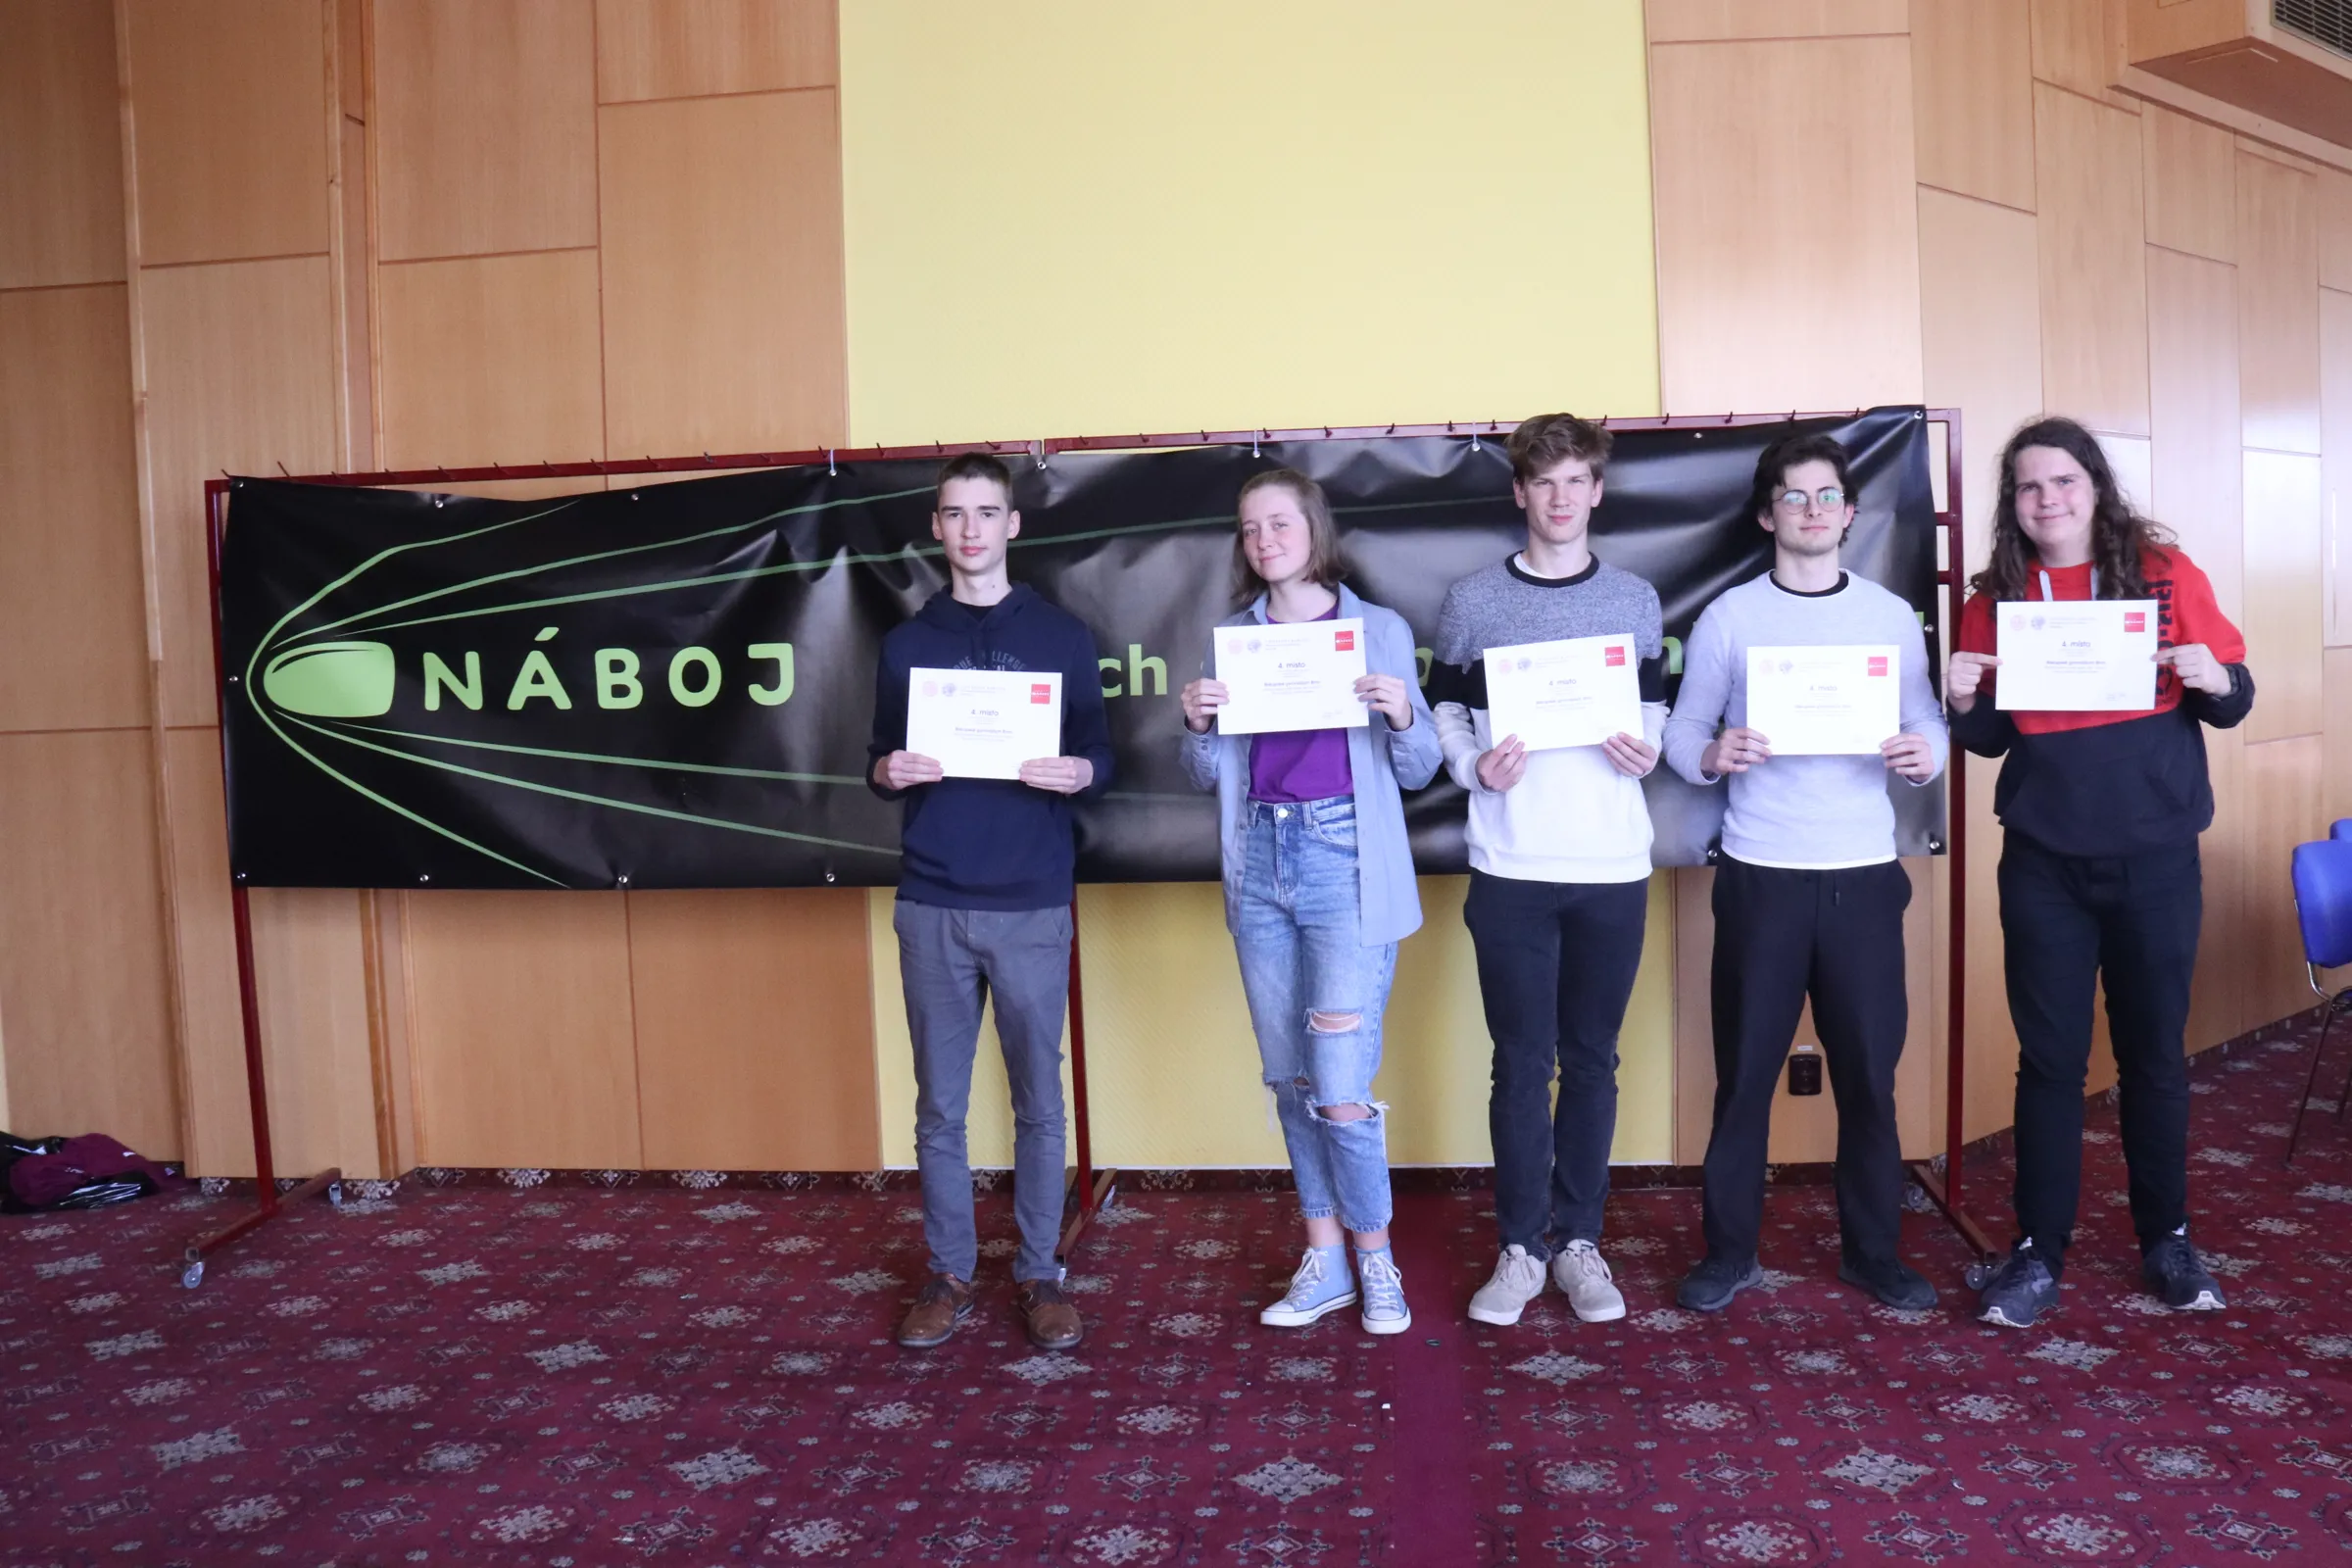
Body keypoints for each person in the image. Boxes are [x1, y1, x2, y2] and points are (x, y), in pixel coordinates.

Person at [1948, 416, 2253, 1329]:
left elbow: (2232, 701)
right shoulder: (1996, 596)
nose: (2047, 499)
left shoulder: (2165, 572)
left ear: (2095, 488)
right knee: (2049, 1062)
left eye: (2064, 482)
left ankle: (2168, 1238)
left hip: (2156, 857)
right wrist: (1959, 698)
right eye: (2029, 486)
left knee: (2154, 1056)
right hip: (2043, 864)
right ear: (2013, 502)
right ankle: (2038, 1252)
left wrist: (2212, 676)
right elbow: (1989, 738)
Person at [1662, 431, 1947, 1313]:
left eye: (1828, 496)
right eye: (1795, 496)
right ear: (1767, 515)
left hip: (1863, 876)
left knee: (1869, 1080)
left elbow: (1927, 721)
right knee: (1744, 1078)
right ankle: (1729, 1254)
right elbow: (1681, 734)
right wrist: (1712, 754)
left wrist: (1925, 755)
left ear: (1851, 512)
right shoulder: (1731, 617)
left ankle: (1873, 1254)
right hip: (1762, 875)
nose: (1813, 511)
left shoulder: (1889, 616)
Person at [1180, 468, 1441, 1335]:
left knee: (1337, 1083)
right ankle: (1324, 1259)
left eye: (1279, 523)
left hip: (1345, 862)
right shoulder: (1233, 639)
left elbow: (1420, 768)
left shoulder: (1379, 630)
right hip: (1259, 859)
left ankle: (1377, 1261)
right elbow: (1205, 775)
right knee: (1290, 1078)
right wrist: (1197, 725)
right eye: (1250, 528)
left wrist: (1403, 715)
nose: (1264, 541)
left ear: (1313, 528)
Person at [869, 452, 1115, 1352]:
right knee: (940, 1107)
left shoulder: (1062, 637)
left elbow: (1101, 754)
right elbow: (877, 760)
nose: (970, 529)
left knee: (1039, 1104)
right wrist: (887, 771)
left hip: (1031, 902)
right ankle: (948, 1272)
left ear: (1012, 525)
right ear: (936, 527)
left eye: (986, 513)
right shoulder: (907, 644)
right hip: (932, 900)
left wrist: (1082, 771)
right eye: (954, 514)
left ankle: (1042, 1272)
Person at [1426, 414, 1666, 1328]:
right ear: (1519, 491)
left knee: (1593, 1061)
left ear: (1596, 491)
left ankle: (1580, 1244)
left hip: (1612, 863)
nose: (1560, 498)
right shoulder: (1473, 600)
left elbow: (1652, 709)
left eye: (1576, 481)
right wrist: (1470, 766)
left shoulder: (1635, 599)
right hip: (1511, 864)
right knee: (1521, 1065)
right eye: (1544, 482)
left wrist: (1646, 746)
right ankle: (1521, 1249)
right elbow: (1446, 710)